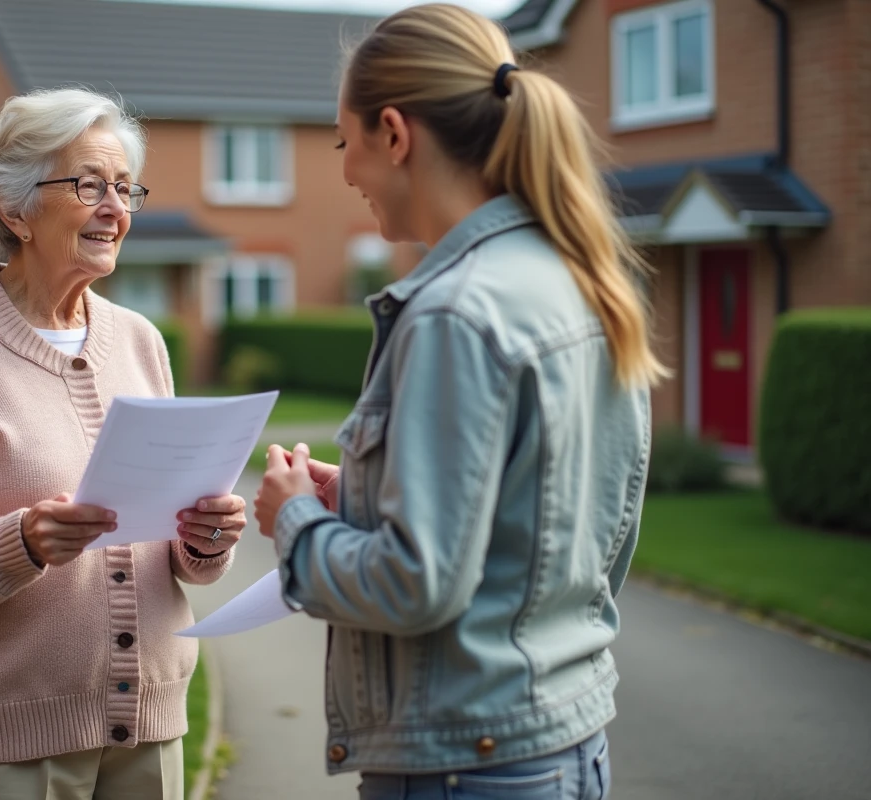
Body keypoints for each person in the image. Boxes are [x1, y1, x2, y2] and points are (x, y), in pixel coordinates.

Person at [254, 5, 663, 799]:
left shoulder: (453, 311)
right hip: (566, 744)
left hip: (464, 769)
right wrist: (362, 500)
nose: (342, 173)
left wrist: (297, 520)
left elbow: (418, 584)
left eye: (345, 143)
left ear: (395, 135)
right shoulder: (580, 281)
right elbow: (570, 529)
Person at [0, 87, 244, 800]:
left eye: (125, 188)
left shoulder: (141, 342)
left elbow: (173, 550)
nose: (116, 209)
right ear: (15, 210)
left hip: (148, 733)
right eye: (90, 185)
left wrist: (207, 538)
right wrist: (22, 541)